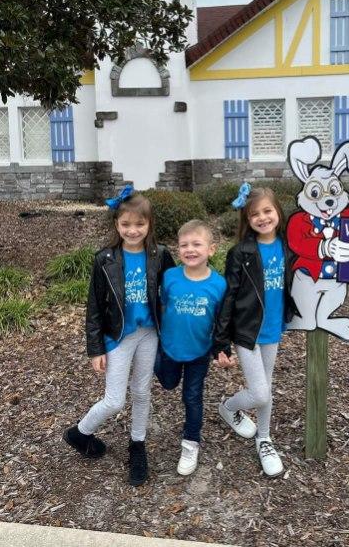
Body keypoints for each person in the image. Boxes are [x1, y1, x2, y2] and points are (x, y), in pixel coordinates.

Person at [63, 185, 174, 486]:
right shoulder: (105, 259)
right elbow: (95, 306)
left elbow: (173, 290)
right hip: (118, 337)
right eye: (126, 224)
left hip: (148, 334)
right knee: (114, 401)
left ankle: (137, 445)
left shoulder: (159, 255)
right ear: (117, 225)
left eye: (139, 224)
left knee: (141, 392)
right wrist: (95, 348)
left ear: (149, 225)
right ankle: (79, 433)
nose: (133, 230)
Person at [213, 184, 298, 477]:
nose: (262, 218)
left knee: (266, 385)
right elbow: (229, 297)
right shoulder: (241, 253)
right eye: (254, 214)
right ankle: (228, 406)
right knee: (260, 393)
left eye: (267, 211)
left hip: (274, 327)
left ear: (278, 212)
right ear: (247, 220)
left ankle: (264, 438)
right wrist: (221, 341)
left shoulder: (289, 246)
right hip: (246, 332)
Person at [155, 220, 226, 476]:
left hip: (199, 352)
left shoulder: (219, 285)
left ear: (211, 249)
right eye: (184, 245)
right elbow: (162, 306)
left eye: (197, 244)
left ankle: (191, 442)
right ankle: (156, 361)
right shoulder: (170, 277)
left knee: (192, 397)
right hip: (169, 349)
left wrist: (221, 349)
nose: (190, 249)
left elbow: (222, 321)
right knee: (168, 383)